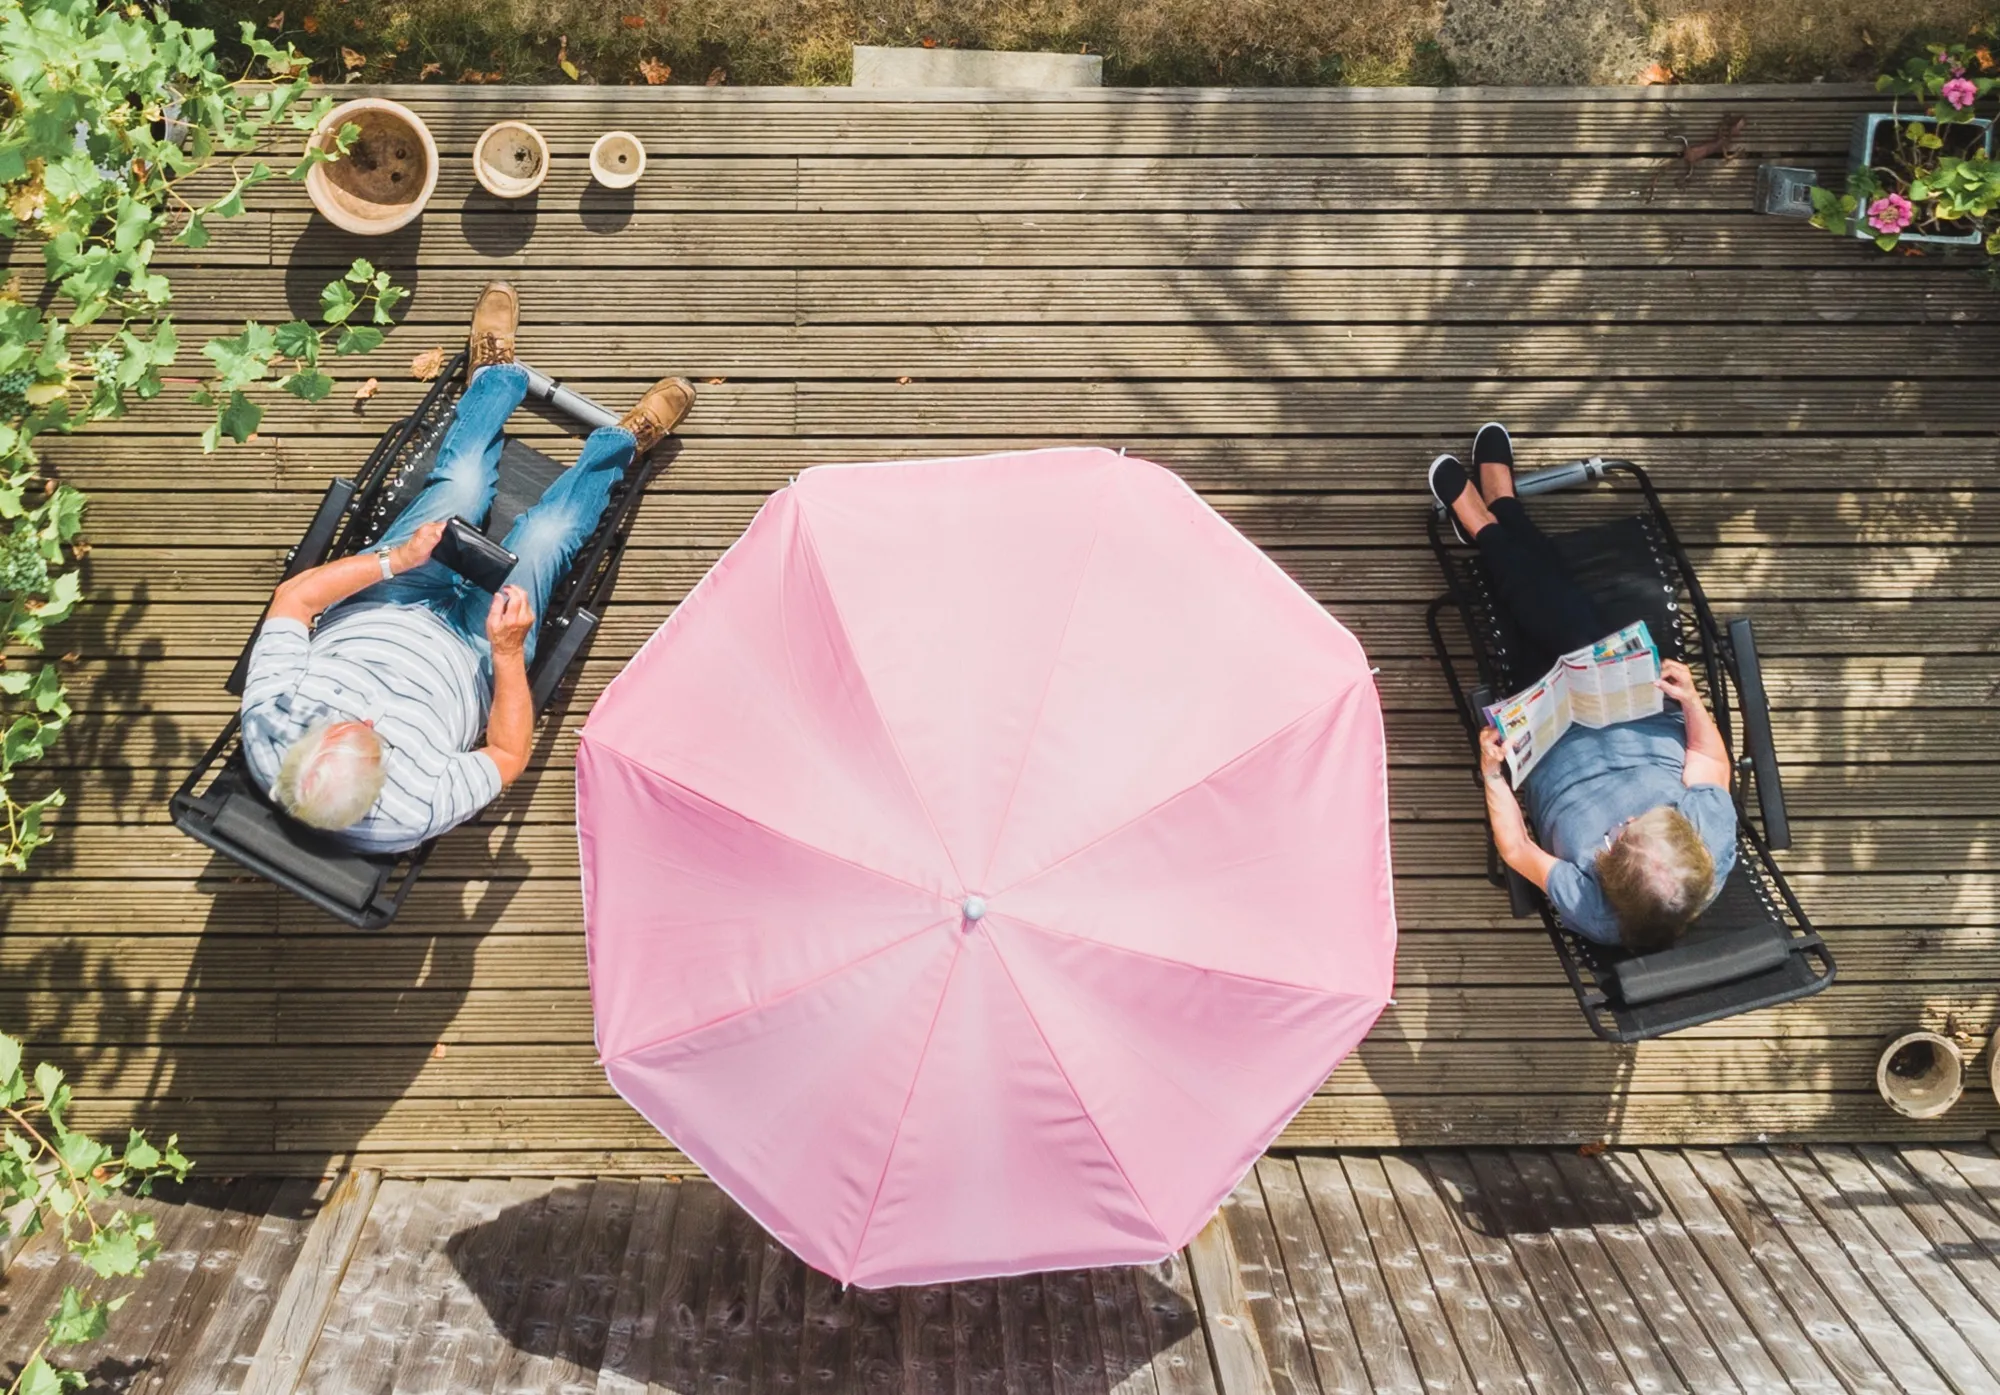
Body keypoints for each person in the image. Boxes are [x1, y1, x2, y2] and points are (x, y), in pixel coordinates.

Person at [239, 282, 695, 853]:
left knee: (462, 486)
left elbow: (293, 601)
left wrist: (394, 559)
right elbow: (507, 756)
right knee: (545, 535)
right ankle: (622, 447)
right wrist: (507, 653)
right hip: (481, 652)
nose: (371, 721)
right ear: (378, 788)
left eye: (344, 723)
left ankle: (494, 378)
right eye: (377, 743)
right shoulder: (418, 807)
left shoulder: (270, 723)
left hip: (386, 599)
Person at [1428, 423, 1738, 953]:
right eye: (1648, 820)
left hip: (1547, 736)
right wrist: (1690, 701)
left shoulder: (1596, 908)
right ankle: (1489, 522)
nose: (1626, 821)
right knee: (1569, 628)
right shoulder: (1710, 846)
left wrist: (1492, 775)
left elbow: (1517, 848)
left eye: (1618, 838)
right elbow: (1711, 764)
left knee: (1552, 625)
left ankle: (1497, 515)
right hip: (1632, 710)